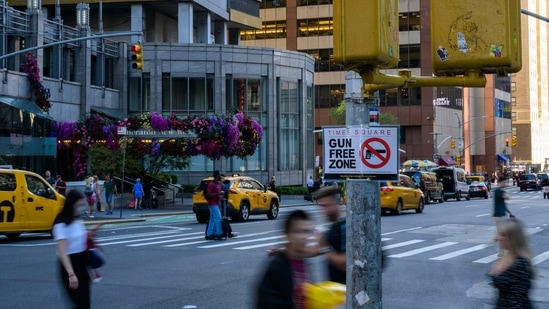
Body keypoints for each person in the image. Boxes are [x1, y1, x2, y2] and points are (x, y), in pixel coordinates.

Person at [53, 189, 102, 309]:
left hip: (82, 264)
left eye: (82, 204)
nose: (81, 207)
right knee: (79, 302)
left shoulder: (77, 220)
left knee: (84, 302)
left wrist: (92, 232)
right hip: (69, 265)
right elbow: (62, 252)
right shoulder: (61, 224)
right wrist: (71, 274)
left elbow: (81, 239)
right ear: (71, 204)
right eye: (78, 204)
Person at [255, 210, 313, 309]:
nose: (304, 237)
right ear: (287, 235)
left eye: (306, 231)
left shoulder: (303, 262)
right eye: (298, 231)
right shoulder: (276, 269)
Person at [489, 218, 535, 308]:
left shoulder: (519, 265)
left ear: (513, 238)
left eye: (502, 235)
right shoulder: (509, 257)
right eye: (498, 234)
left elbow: (517, 302)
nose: (497, 238)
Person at [311, 185, 347, 284]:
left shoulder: (345, 226)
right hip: (337, 289)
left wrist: (324, 246)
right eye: (321, 206)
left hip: (349, 292)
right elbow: (318, 249)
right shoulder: (332, 223)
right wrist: (286, 251)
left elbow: (345, 264)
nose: (323, 211)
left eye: (326, 206)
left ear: (336, 203)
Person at [493, 176, 514, 257]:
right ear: (500, 182)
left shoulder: (500, 191)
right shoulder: (498, 191)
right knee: (502, 234)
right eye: (504, 182)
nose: (505, 184)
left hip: (501, 215)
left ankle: (501, 251)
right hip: (498, 215)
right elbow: (507, 197)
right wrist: (507, 193)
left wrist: (510, 213)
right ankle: (500, 250)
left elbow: (503, 205)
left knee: (502, 233)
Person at [205, 171, 224, 240]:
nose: (220, 176)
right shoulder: (211, 184)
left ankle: (209, 234)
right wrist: (218, 194)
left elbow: (217, 193)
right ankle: (218, 233)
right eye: (219, 175)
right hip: (212, 203)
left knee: (212, 219)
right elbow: (208, 194)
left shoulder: (218, 184)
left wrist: (220, 196)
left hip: (216, 203)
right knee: (218, 217)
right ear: (217, 176)